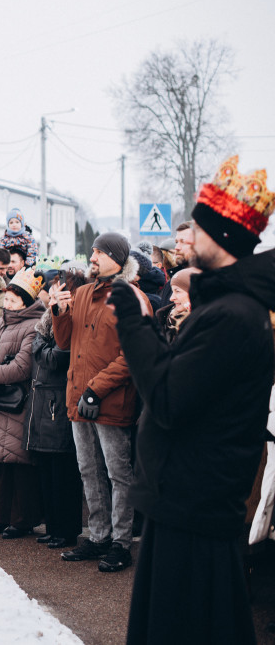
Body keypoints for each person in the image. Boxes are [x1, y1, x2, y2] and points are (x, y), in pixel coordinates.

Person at [108, 157, 274, 644]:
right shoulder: (224, 306)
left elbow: (166, 398)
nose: (188, 237)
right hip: (184, 499)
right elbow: (180, 380)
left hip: (194, 502)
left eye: (197, 226)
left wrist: (131, 323)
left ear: (219, 235)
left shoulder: (233, 315)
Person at [50, 232, 149, 572]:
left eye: (100, 253)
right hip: (78, 399)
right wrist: (59, 312)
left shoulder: (132, 297)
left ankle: (120, 543)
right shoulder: (80, 293)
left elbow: (135, 354)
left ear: (118, 259)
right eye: (92, 251)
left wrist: (97, 389)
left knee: (118, 474)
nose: (92, 257)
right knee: (89, 471)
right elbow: (65, 343)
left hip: (111, 400)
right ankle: (98, 536)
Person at [0, 268, 45, 538]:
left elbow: (21, 368)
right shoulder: (2, 321)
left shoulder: (33, 324)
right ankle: (1, 517)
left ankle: (22, 519)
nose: (8, 304)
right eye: (7, 299)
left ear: (26, 302)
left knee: (19, 465)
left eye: (14, 300)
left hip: (17, 403)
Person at [23, 268, 87, 549]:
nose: (52, 293)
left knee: (64, 471)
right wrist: (42, 347)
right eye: (52, 288)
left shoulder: (74, 319)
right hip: (43, 398)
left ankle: (67, 529)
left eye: (61, 289)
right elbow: (40, 348)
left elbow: (55, 357)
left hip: (60, 398)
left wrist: (42, 348)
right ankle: (52, 526)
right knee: (47, 469)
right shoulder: (47, 318)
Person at [153, 267, 200, 343]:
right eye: (172, 292)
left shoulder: (212, 320)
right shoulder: (164, 319)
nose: (171, 298)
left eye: (177, 291)